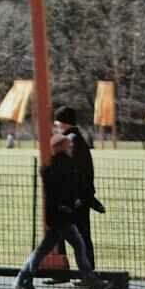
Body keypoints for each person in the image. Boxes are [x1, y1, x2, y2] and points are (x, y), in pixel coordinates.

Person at [14, 134, 112, 289]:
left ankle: (22, 280)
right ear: (62, 147)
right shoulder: (65, 166)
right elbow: (67, 190)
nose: (71, 148)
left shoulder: (51, 167)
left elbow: (58, 193)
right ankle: (93, 283)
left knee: (44, 250)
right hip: (62, 216)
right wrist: (72, 204)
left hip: (57, 215)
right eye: (69, 146)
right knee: (77, 247)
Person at [54, 105, 98, 271]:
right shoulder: (77, 139)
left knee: (68, 234)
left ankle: (65, 271)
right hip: (80, 196)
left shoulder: (69, 141)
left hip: (74, 197)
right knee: (79, 234)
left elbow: (70, 171)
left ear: (62, 122)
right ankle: (85, 271)